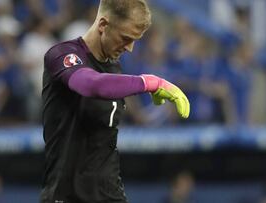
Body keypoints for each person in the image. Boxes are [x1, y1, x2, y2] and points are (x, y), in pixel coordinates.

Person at [40, 0, 190, 202]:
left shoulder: (114, 68)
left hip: (110, 195)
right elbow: (91, 85)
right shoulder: (63, 55)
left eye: (135, 40)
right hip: (67, 195)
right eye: (126, 38)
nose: (130, 48)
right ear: (103, 25)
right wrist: (149, 83)